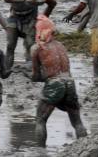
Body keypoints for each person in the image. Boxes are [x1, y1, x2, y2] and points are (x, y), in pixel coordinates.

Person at [31, 15, 87, 146]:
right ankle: (85, 148)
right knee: (77, 122)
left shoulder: (37, 48)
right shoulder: (61, 45)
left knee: (40, 119)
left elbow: (36, 76)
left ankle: (40, 153)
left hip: (55, 84)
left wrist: (27, 74)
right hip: (70, 83)